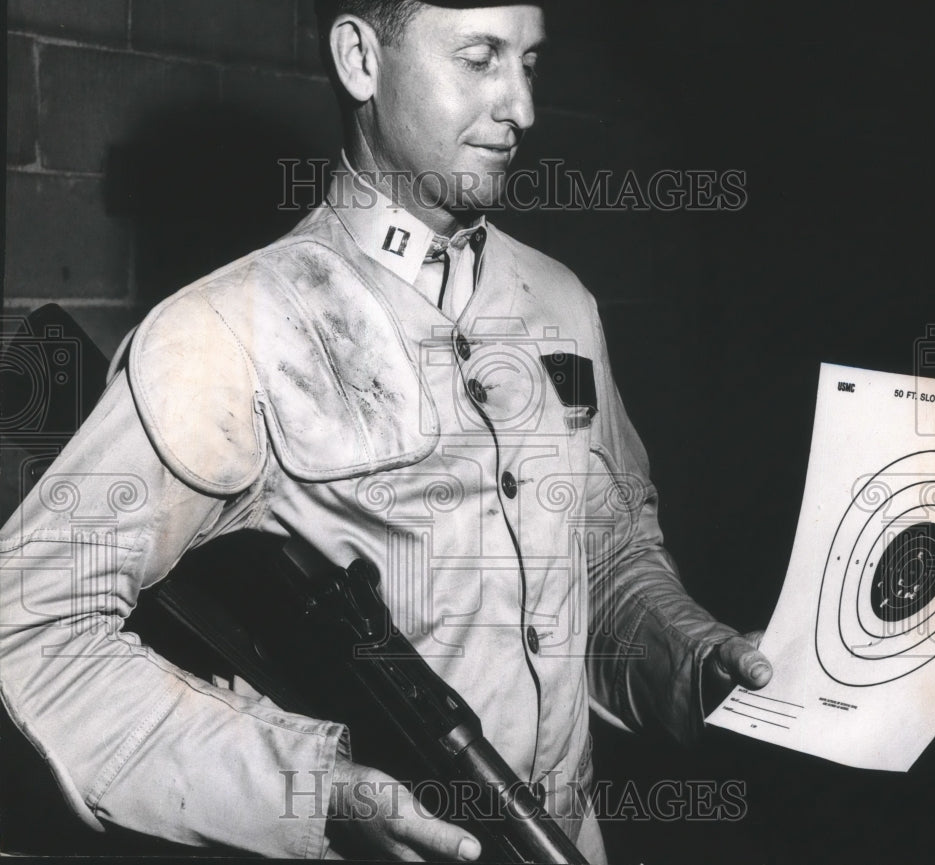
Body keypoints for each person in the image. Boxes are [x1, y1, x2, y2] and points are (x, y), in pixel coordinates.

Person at [0, 1, 774, 861]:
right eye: (480, 59)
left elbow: (608, 554)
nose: (522, 108)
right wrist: (313, 793)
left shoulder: (562, 304)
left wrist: (697, 658)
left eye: (532, 63)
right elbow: (28, 628)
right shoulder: (226, 333)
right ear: (361, 59)